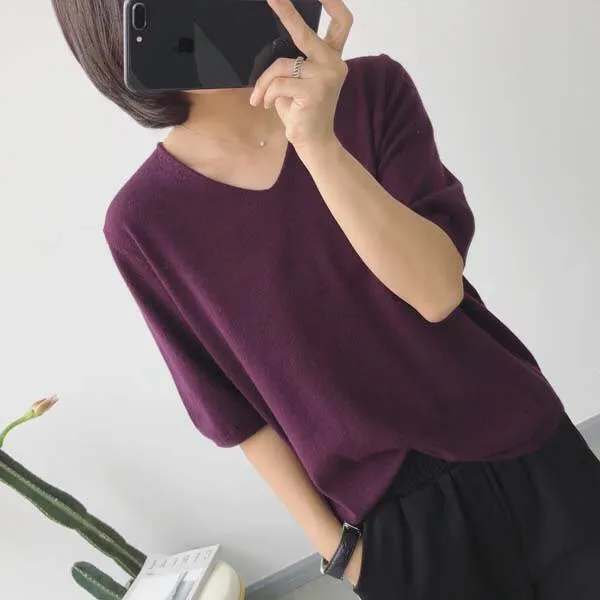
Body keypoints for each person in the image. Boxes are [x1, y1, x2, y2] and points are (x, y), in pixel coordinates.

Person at [51, 0, 600, 598]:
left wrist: (318, 146)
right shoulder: (144, 223)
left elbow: (436, 292)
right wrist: (343, 554)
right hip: (395, 531)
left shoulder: (372, 91)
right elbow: (234, 416)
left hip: (523, 444)